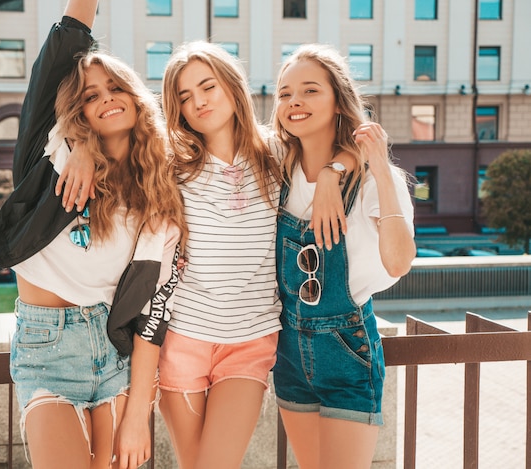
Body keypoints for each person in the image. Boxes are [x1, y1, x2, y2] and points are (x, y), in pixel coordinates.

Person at [0, 1, 185, 468]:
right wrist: (76, 147)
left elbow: (155, 309)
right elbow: (66, 41)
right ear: (79, 111)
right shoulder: (48, 160)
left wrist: (138, 413)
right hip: (46, 352)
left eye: (115, 87)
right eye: (91, 96)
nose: (106, 98)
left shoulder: (159, 195)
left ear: (136, 97)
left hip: (114, 354)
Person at [156, 41, 354, 469]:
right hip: (182, 338)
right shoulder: (170, 163)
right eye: (185, 97)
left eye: (207, 86)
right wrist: (79, 154)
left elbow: (350, 143)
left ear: (232, 86)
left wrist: (331, 175)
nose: (198, 101)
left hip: (250, 339)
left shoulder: (276, 154)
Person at [270, 43, 416, 468]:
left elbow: (399, 262)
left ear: (338, 100)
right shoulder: (276, 165)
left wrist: (376, 169)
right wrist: (333, 172)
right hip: (288, 352)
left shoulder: (373, 177)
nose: (294, 101)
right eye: (284, 93)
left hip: (347, 350)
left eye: (310, 90)